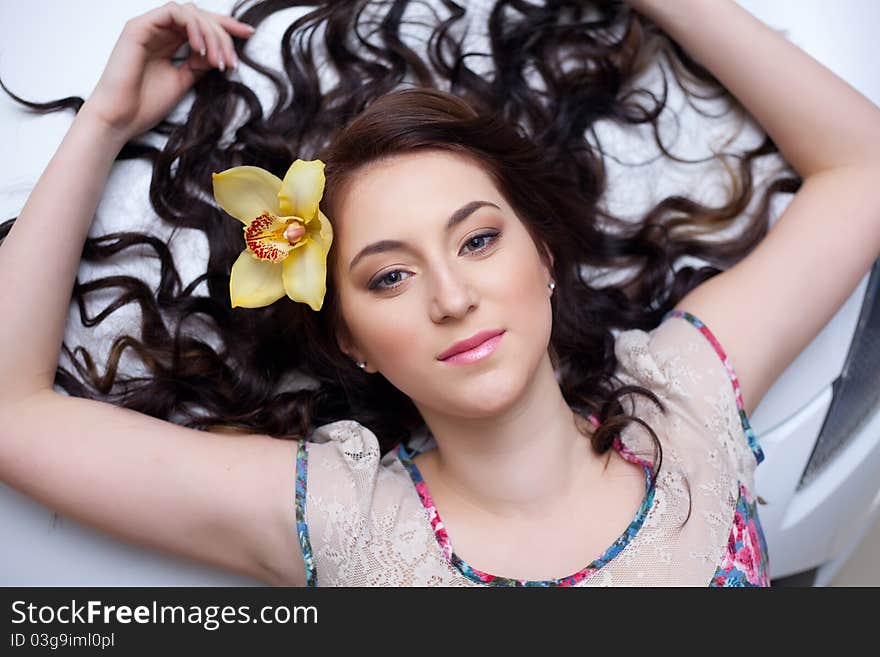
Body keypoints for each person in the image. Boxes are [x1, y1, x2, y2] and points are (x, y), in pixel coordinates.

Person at [1, 0, 878, 587]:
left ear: (540, 252)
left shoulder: (688, 394)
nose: (452, 297)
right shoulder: (344, 520)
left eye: (478, 239)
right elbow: (14, 417)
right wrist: (106, 122)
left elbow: (865, 170)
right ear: (349, 337)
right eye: (389, 275)